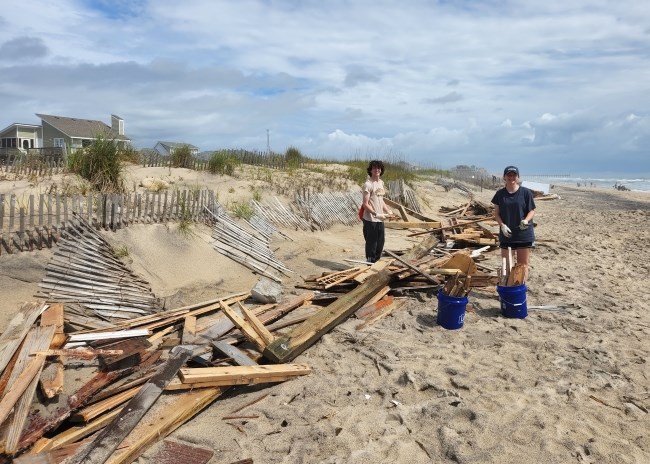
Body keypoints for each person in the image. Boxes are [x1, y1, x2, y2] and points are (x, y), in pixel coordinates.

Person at [491, 165, 536, 281]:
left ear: (518, 177)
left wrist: (526, 220)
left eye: (514, 175)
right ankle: (507, 286)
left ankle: (520, 287)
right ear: (504, 177)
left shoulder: (525, 193)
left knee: (522, 264)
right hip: (507, 234)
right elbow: (496, 214)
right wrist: (502, 225)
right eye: (509, 175)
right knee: (506, 265)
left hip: (523, 233)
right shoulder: (500, 194)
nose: (511, 177)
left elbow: (532, 210)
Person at [361, 160, 395, 263]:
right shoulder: (368, 184)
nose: (377, 170)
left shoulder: (381, 183)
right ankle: (370, 264)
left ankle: (376, 264)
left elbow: (381, 200)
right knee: (372, 244)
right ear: (370, 170)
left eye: (379, 168)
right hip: (371, 220)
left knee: (380, 243)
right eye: (374, 168)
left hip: (380, 219)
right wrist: (376, 214)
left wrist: (388, 211)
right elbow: (365, 204)